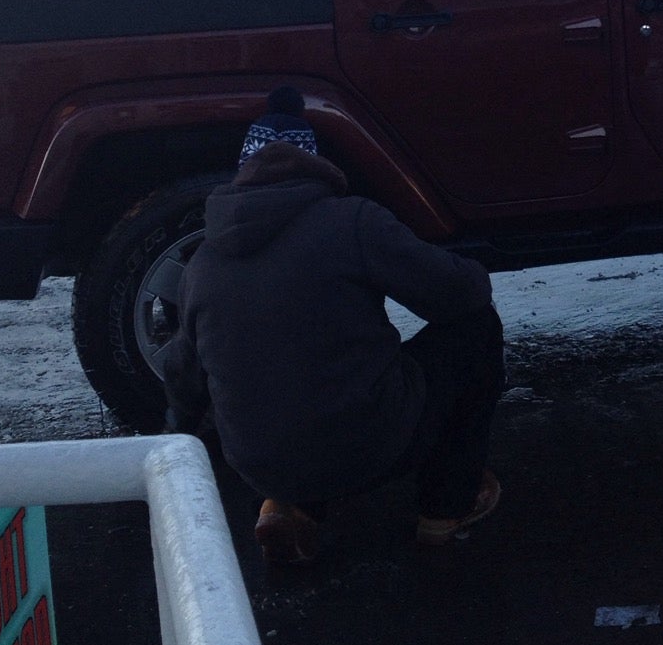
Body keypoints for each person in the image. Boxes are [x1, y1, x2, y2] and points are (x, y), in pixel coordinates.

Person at [162, 88, 504, 566]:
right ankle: (447, 506)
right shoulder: (353, 222)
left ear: (243, 173)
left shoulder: (202, 262)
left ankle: (288, 505)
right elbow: (459, 295)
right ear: (314, 165)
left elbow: (184, 380)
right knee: (476, 330)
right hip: (369, 449)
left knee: (278, 381)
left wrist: (175, 441)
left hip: (261, 465)